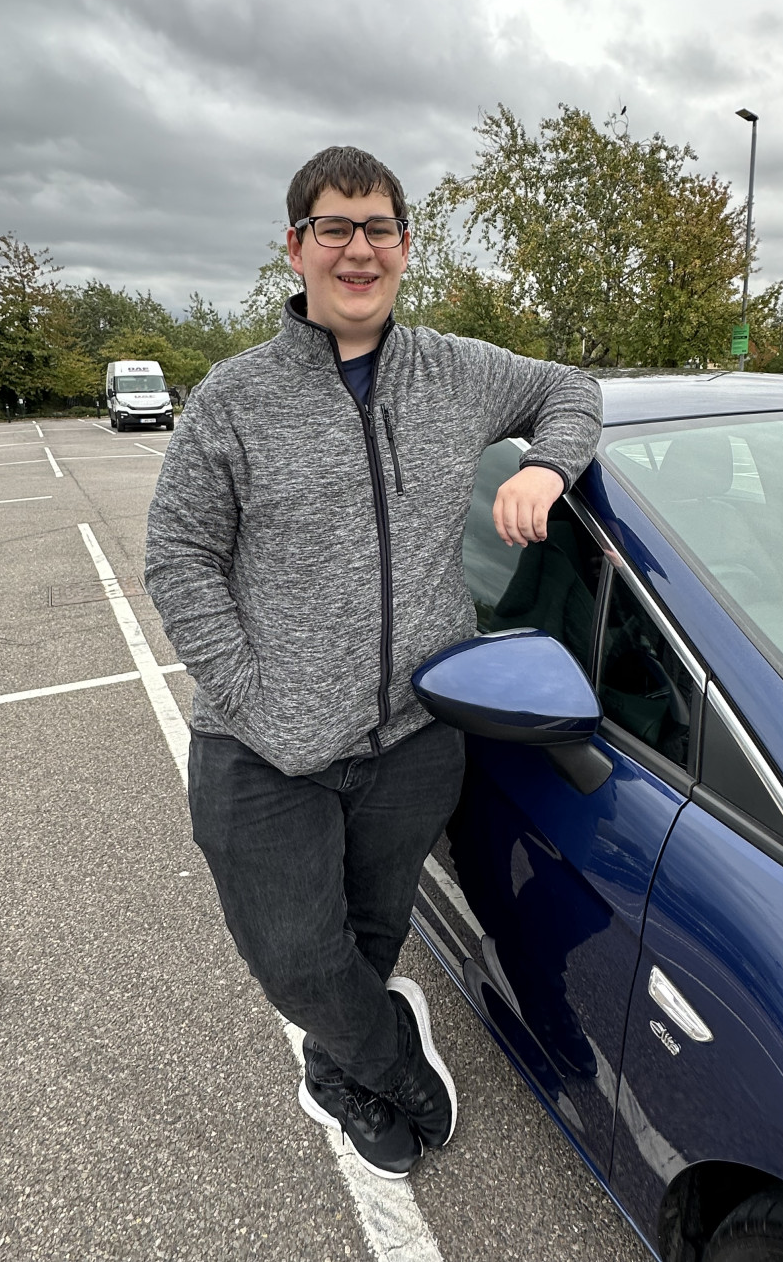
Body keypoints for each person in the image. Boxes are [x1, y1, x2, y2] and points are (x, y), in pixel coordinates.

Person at [144, 146, 602, 1180]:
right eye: (335, 228)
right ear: (295, 248)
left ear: (405, 244)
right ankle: (391, 1060)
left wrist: (544, 464)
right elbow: (177, 557)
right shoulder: (234, 399)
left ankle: (339, 1075)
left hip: (412, 738)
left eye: (379, 227)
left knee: (369, 934)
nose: (359, 248)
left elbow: (570, 389)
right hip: (263, 748)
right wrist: (259, 700)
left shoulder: (458, 371)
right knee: (298, 961)